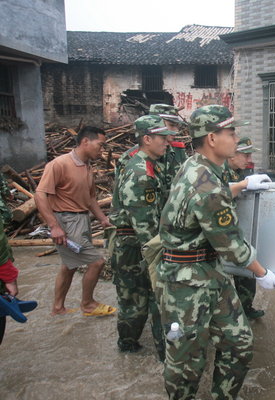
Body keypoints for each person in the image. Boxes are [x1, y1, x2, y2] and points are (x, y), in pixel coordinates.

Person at [155, 105, 275, 400]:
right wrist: (262, 273)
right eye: (231, 132)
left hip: (210, 271)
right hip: (185, 281)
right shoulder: (206, 182)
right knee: (186, 362)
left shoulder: (200, 165)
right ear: (212, 138)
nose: (236, 138)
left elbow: (215, 195)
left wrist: (242, 185)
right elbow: (230, 244)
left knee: (239, 344)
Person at [110, 115, 174, 358]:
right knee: (138, 300)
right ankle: (130, 347)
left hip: (137, 244)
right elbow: (145, 228)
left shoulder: (148, 166)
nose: (167, 141)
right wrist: (162, 257)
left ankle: (140, 348)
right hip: (135, 247)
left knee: (141, 299)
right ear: (147, 139)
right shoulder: (141, 173)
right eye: (162, 137)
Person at [35, 126, 116, 316]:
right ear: (85, 141)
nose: (102, 149)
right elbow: (40, 195)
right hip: (66, 222)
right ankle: (87, 304)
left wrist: (103, 219)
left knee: (69, 266)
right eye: (100, 144)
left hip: (82, 220)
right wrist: (54, 226)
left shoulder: (87, 166)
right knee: (97, 262)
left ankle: (58, 308)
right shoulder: (59, 164)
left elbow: (90, 199)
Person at [224, 137, 265, 320]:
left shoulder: (242, 173)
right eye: (245, 154)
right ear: (232, 154)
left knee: (247, 275)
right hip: (221, 234)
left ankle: (246, 308)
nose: (248, 159)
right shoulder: (218, 173)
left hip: (239, 231)